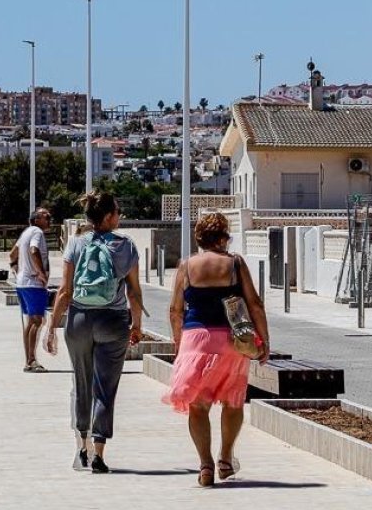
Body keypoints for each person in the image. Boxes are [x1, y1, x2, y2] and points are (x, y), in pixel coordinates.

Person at [164, 211, 270, 487]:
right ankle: (225, 458)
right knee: (233, 400)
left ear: (199, 237)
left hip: (195, 338)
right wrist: (264, 340)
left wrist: (179, 346)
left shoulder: (186, 266)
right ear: (223, 237)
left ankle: (205, 466)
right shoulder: (234, 264)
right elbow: (255, 303)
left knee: (198, 406)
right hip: (231, 340)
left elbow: (176, 310)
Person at [49, 192, 143, 474]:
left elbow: (65, 291)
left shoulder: (76, 244)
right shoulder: (125, 246)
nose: (120, 217)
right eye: (117, 212)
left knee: (81, 383)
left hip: (79, 319)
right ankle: (99, 453)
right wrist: (136, 325)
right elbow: (134, 292)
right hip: (113, 321)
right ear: (107, 217)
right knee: (105, 388)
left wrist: (52, 326)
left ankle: (82, 446)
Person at [12, 208, 55, 372]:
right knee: (37, 321)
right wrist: (41, 273)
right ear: (36, 219)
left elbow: (12, 254)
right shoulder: (37, 232)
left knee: (31, 322)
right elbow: (34, 250)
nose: (49, 219)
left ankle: (29, 360)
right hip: (33, 283)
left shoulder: (26, 232)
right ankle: (31, 360)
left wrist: (16, 268)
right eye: (46, 216)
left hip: (22, 283)